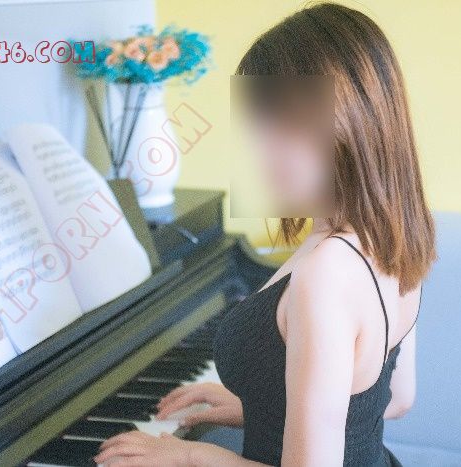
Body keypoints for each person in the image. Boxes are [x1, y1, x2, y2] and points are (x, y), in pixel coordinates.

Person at [95, 2, 435, 465]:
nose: (262, 149)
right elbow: (394, 398)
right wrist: (258, 409)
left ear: (349, 123)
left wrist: (191, 456)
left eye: (283, 126)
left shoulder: (328, 271)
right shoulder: (394, 230)